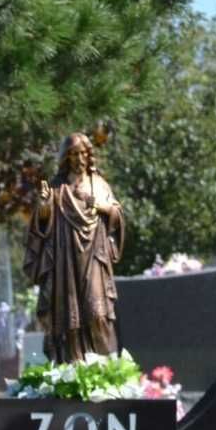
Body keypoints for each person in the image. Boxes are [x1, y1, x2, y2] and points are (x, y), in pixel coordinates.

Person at [24, 133, 126, 362]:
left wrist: (100, 206)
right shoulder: (57, 188)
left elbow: (117, 215)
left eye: (82, 153)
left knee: (98, 314)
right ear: (66, 157)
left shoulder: (99, 184)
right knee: (68, 319)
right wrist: (43, 206)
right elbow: (43, 224)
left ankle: (105, 367)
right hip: (65, 259)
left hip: (94, 257)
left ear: (88, 155)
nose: (79, 158)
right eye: (73, 154)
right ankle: (70, 367)